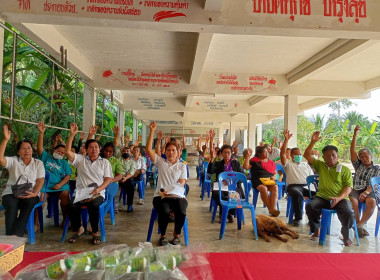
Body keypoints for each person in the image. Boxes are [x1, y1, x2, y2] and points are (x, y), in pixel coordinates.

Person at [304, 131, 354, 246]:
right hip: (322, 197)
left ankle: (345, 234)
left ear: (338, 156)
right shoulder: (320, 165)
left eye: (333, 155)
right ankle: (316, 229)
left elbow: (348, 187)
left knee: (348, 212)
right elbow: (306, 155)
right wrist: (312, 142)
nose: (331, 158)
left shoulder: (345, 169)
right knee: (310, 206)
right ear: (323, 157)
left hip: (340, 199)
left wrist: (339, 198)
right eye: (327, 155)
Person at [65, 123, 112, 245]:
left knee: (94, 205)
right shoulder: (81, 160)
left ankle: (95, 232)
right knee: (70, 205)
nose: (94, 149)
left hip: (97, 193)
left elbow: (107, 180)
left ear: (99, 149)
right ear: (86, 149)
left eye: (96, 147)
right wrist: (71, 135)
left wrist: (98, 189)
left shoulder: (105, 162)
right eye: (91, 147)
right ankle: (79, 228)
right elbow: (67, 151)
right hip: (81, 193)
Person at [146, 122, 188, 246]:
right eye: (168, 150)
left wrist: (172, 190)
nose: (170, 153)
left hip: (177, 196)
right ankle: (163, 236)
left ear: (178, 152)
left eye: (173, 150)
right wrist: (152, 131)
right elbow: (149, 150)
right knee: (164, 211)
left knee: (181, 211)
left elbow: (182, 183)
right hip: (161, 196)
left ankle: (176, 235)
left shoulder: (182, 166)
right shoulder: (161, 162)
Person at [0, 125, 45, 237]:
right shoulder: (14, 161)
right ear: (19, 151)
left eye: (29, 148)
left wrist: (35, 193)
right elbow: (1, 160)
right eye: (24, 148)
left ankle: (17, 235)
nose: (27, 151)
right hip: (11, 192)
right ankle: (11, 236)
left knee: (29, 203)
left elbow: (40, 180)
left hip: (31, 192)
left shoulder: (38, 163)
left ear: (32, 150)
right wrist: (5, 140)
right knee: (11, 205)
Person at [36, 121, 71, 227]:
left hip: (59, 186)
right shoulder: (46, 158)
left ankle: (65, 220)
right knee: (41, 198)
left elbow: (68, 176)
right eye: (58, 151)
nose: (60, 154)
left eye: (62, 153)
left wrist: (60, 184)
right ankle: (36, 223)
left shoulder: (64, 163)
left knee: (65, 195)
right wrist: (41, 133)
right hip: (45, 186)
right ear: (54, 151)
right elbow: (39, 148)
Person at [208, 131, 245, 223]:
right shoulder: (218, 164)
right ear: (221, 153)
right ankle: (228, 212)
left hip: (234, 186)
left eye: (228, 152)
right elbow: (210, 172)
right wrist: (212, 160)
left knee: (235, 196)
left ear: (231, 153)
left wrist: (231, 181)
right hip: (221, 187)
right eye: (224, 152)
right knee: (217, 194)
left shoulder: (236, 163)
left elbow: (242, 176)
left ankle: (226, 213)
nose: (226, 154)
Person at [349, 125, 380, 237]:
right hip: (357, 189)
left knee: (372, 203)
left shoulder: (377, 168)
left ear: (371, 156)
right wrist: (355, 135)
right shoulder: (358, 165)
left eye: (366, 156)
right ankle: (358, 225)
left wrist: (366, 192)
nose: (364, 158)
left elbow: (374, 183)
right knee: (353, 201)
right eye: (361, 157)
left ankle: (359, 225)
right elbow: (352, 150)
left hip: (369, 190)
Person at [280, 130, 314, 226]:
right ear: (291, 156)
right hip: (294, 187)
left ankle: (314, 217)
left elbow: (311, 178)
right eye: (296, 154)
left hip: (307, 186)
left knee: (319, 195)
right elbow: (282, 154)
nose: (298, 156)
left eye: (300, 154)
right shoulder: (288, 164)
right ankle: (298, 218)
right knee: (297, 193)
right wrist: (286, 140)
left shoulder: (306, 165)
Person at [243, 146, 280, 217]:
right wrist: (247, 157)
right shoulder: (254, 161)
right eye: (264, 152)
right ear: (259, 154)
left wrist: (274, 177)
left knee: (275, 187)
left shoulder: (270, 162)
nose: (266, 154)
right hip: (258, 181)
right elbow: (246, 167)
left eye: (267, 152)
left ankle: (273, 208)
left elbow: (276, 174)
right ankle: (271, 209)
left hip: (269, 181)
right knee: (263, 188)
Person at [119, 147, 137, 212]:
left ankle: (129, 204)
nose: (126, 152)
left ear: (130, 153)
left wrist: (125, 178)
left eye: (127, 151)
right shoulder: (118, 159)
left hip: (127, 178)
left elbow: (131, 171)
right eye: (124, 151)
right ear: (122, 152)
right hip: (118, 178)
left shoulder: (132, 162)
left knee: (131, 185)